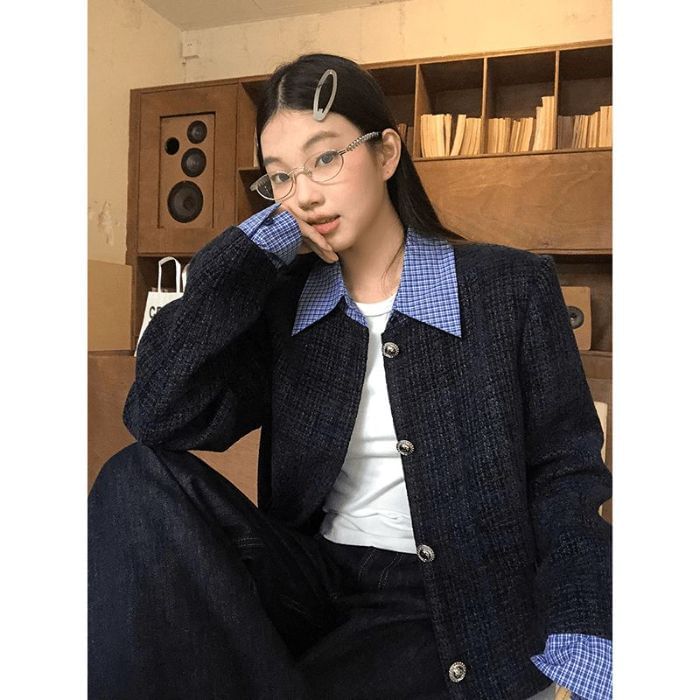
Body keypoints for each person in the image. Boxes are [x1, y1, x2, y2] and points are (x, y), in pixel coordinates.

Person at [88, 53, 612, 700]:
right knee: (134, 479)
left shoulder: (508, 287)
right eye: (281, 177)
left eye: (326, 158)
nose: (304, 195)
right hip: (311, 580)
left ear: (386, 153)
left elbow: (565, 474)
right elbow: (157, 413)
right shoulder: (290, 306)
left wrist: (584, 622)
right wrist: (245, 258)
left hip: (443, 595)